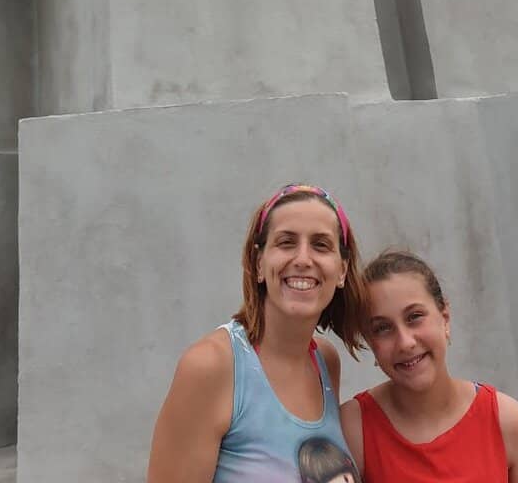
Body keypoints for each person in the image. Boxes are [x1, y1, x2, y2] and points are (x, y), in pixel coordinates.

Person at [146, 183, 364, 483]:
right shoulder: (212, 366)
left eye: (321, 245)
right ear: (259, 263)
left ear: (341, 269)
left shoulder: (325, 361)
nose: (303, 259)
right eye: (286, 242)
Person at [340, 249, 518, 483]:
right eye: (382, 328)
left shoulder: (507, 421)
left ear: (445, 318)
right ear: (371, 342)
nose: (406, 342)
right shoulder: (353, 428)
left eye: (415, 316)